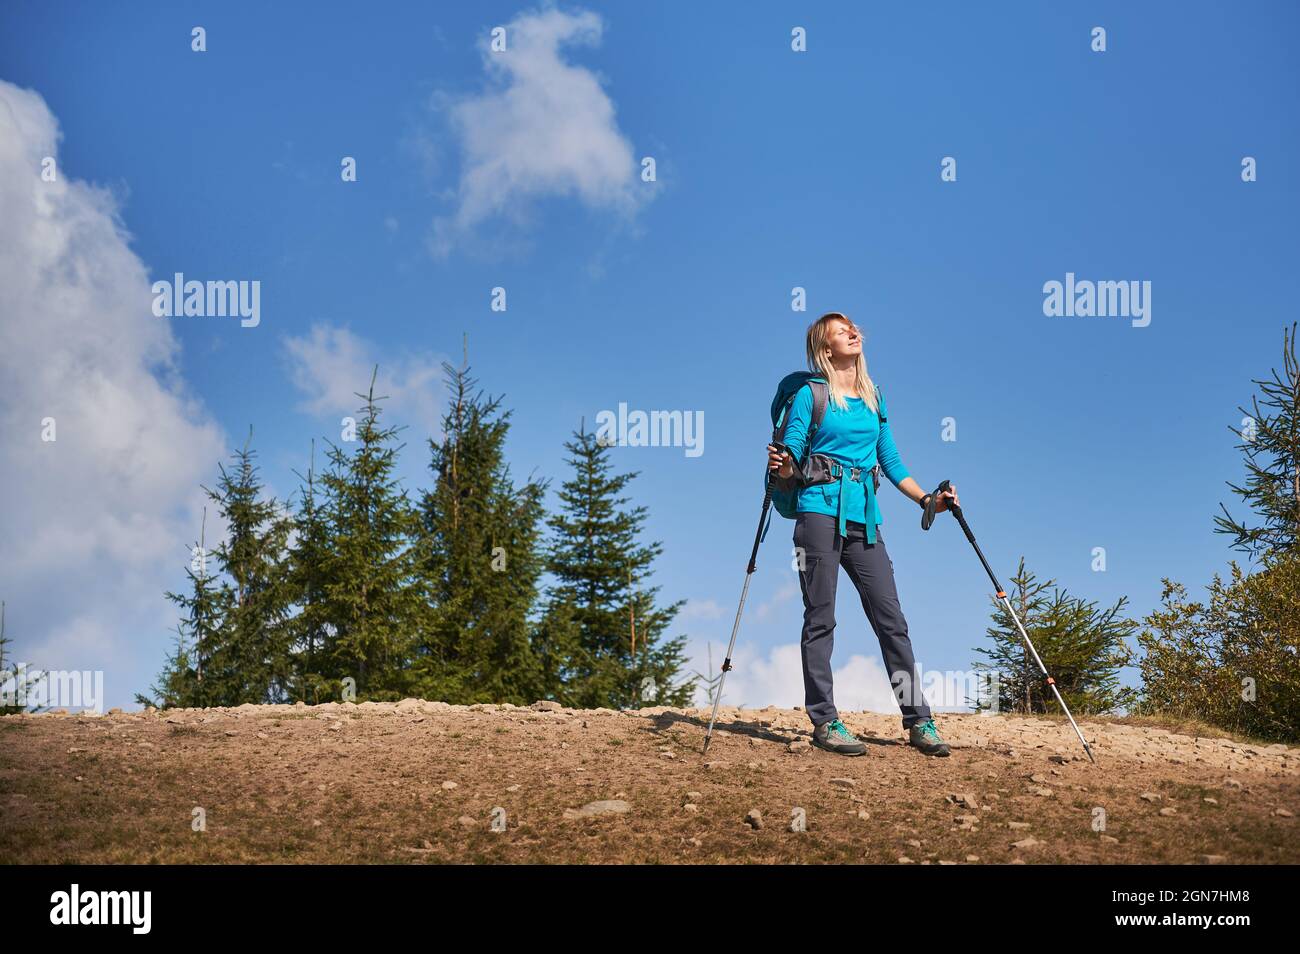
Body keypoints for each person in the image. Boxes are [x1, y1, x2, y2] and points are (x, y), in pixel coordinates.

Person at [767, 312, 957, 757]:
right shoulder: (810, 396)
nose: (851, 332)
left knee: (891, 620)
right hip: (817, 514)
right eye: (839, 331)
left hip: (865, 521)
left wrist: (929, 498)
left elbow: (890, 461)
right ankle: (825, 720)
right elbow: (793, 451)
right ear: (824, 348)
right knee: (821, 617)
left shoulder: (874, 399)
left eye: (852, 327)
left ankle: (919, 720)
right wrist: (785, 466)